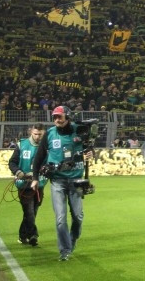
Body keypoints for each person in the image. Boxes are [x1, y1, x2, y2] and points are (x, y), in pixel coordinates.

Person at [30, 106, 94, 262]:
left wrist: (92, 152)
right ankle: (65, 250)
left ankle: (72, 240)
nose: (57, 119)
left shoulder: (79, 130)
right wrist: (35, 177)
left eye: (60, 116)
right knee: (60, 219)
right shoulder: (50, 134)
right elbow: (39, 157)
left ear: (68, 117)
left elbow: (89, 147)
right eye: (54, 117)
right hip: (57, 181)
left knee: (78, 217)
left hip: (76, 181)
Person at [8, 124, 47, 246]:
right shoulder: (22, 145)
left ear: (43, 133)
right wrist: (18, 172)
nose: (37, 137)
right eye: (35, 134)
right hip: (24, 185)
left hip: (39, 185)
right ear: (31, 132)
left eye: (40, 134)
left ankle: (22, 236)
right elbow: (12, 162)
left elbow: (48, 164)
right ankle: (33, 235)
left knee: (32, 212)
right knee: (29, 211)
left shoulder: (47, 147)